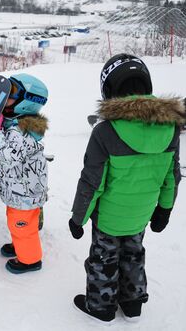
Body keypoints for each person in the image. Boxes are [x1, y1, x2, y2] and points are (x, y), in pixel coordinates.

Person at [69, 54, 183, 322]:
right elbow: (172, 176)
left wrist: (78, 218)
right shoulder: (170, 128)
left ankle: (101, 306)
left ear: (108, 91)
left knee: (104, 259)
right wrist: (164, 210)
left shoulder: (105, 132)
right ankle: (132, 303)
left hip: (109, 218)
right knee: (133, 254)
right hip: (140, 215)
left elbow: (91, 182)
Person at [0, 73, 49, 274]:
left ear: (27, 101)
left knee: (23, 225)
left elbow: (7, 157)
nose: (6, 96)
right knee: (17, 223)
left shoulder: (21, 131)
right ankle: (20, 244)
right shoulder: (16, 123)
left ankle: (30, 260)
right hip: (19, 191)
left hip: (25, 194)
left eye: (11, 92)